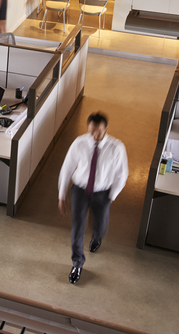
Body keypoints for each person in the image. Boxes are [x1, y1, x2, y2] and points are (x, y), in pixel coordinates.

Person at [57, 112, 128, 285]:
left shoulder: (116, 148)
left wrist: (112, 195)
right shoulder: (79, 143)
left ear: (106, 129)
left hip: (102, 193)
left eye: (99, 131)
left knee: (100, 225)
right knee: (78, 227)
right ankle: (77, 263)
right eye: (92, 131)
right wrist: (61, 195)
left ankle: (96, 237)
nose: (95, 135)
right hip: (80, 190)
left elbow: (122, 174)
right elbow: (67, 168)